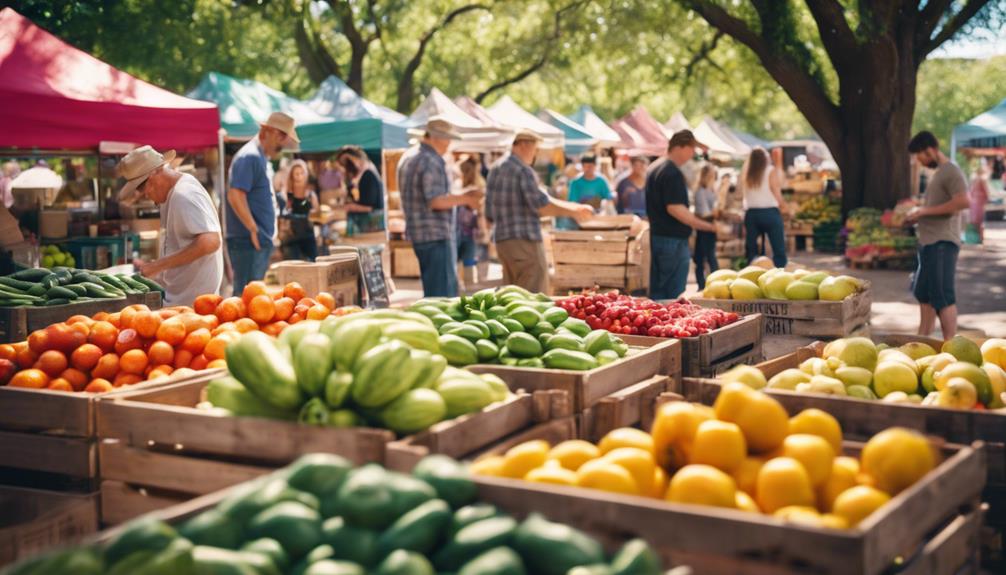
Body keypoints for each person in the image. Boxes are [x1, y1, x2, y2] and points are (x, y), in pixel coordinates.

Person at [486, 130, 594, 293]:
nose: (535, 154)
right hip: (524, 241)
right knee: (533, 297)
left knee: (510, 297)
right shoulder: (523, 170)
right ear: (524, 145)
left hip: (503, 242)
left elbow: (488, 212)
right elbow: (541, 205)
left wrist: (573, 207)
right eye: (535, 149)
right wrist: (573, 211)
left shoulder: (495, 168)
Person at [118, 146, 222, 307]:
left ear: (153, 176)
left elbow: (210, 241)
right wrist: (158, 266)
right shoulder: (174, 191)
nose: (145, 195)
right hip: (183, 297)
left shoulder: (184, 195)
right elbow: (184, 243)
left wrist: (158, 266)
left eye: (141, 188)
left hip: (194, 303)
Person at [398, 117, 482, 297]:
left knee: (434, 296)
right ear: (436, 137)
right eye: (448, 138)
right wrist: (467, 199)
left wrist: (463, 195)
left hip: (420, 234)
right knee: (443, 299)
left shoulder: (409, 156)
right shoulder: (431, 159)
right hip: (436, 235)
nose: (450, 143)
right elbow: (435, 201)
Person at [225, 112, 297, 296]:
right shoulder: (250, 157)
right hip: (248, 241)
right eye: (283, 137)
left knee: (253, 297)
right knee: (245, 298)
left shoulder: (259, 157)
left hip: (255, 240)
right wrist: (253, 229)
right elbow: (235, 195)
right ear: (271, 132)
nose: (283, 145)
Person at [906, 131, 969, 338]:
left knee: (943, 297)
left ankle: (952, 348)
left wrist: (923, 212)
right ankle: (922, 340)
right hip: (929, 243)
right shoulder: (940, 172)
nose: (920, 162)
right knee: (923, 293)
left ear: (930, 150)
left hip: (942, 243)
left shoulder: (951, 171)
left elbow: (963, 202)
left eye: (920, 156)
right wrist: (919, 211)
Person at [645, 130, 717, 300]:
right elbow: (675, 209)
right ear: (681, 147)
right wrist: (706, 226)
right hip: (672, 239)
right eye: (692, 148)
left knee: (660, 290)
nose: (693, 153)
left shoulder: (655, 167)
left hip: (660, 236)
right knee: (671, 294)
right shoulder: (671, 172)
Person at [740, 147, 788, 268]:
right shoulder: (769, 170)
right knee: (778, 249)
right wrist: (785, 207)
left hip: (751, 214)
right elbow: (776, 191)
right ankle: (779, 274)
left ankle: (753, 275)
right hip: (770, 213)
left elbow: (741, 195)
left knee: (752, 250)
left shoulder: (746, 173)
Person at [336, 146, 385, 235]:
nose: (347, 167)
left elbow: (370, 207)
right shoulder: (363, 176)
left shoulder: (368, 174)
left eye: (348, 162)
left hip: (373, 224)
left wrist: (350, 207)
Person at [278, 159, 319, 261]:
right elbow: (282, 214)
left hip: (308, 236)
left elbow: (318, 216)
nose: (299, 176)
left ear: (306, 174)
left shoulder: (310, 195)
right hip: (291, 238)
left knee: (313, 266)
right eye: (296, 173)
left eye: (302, 173)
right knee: (292, 268)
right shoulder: (286, 194)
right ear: (291, 175)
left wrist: (313, 215)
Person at [457, 156, 486, 288]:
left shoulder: (457, 186)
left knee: (458, 262)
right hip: (467, 231)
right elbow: (480, 210)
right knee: (469, 262)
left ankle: (459, 288)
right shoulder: (476, 188)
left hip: (459, 230)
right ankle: (468, 288)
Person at [693, 164, 719, 289]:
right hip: (703, 228)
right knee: (702, 258)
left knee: (710, 257)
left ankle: (714, 284)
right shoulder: (701, 191)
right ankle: (702, 285)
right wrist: (715, 213)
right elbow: (704, 212)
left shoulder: (712, 190)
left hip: (710, 227)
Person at [968, 161, 990, 244]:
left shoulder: (974, 179)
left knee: (975, 220)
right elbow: (986, 192)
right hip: (979, 202)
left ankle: (976, 238)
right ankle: (980, 238)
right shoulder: (982, 179)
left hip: (974, 202)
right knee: (980, 221)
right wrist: (987, 199)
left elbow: (971, 191)